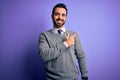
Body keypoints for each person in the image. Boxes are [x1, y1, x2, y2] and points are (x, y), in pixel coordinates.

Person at [38, 3, 88, 80]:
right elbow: (44, 56)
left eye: (63, 15)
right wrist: (65, 44)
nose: (60, 17)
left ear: (66, 17)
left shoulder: (73, 35)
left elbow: (81, 57)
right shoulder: (44, 36)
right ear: (52, 16)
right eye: (57, 14)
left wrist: (84, 76)